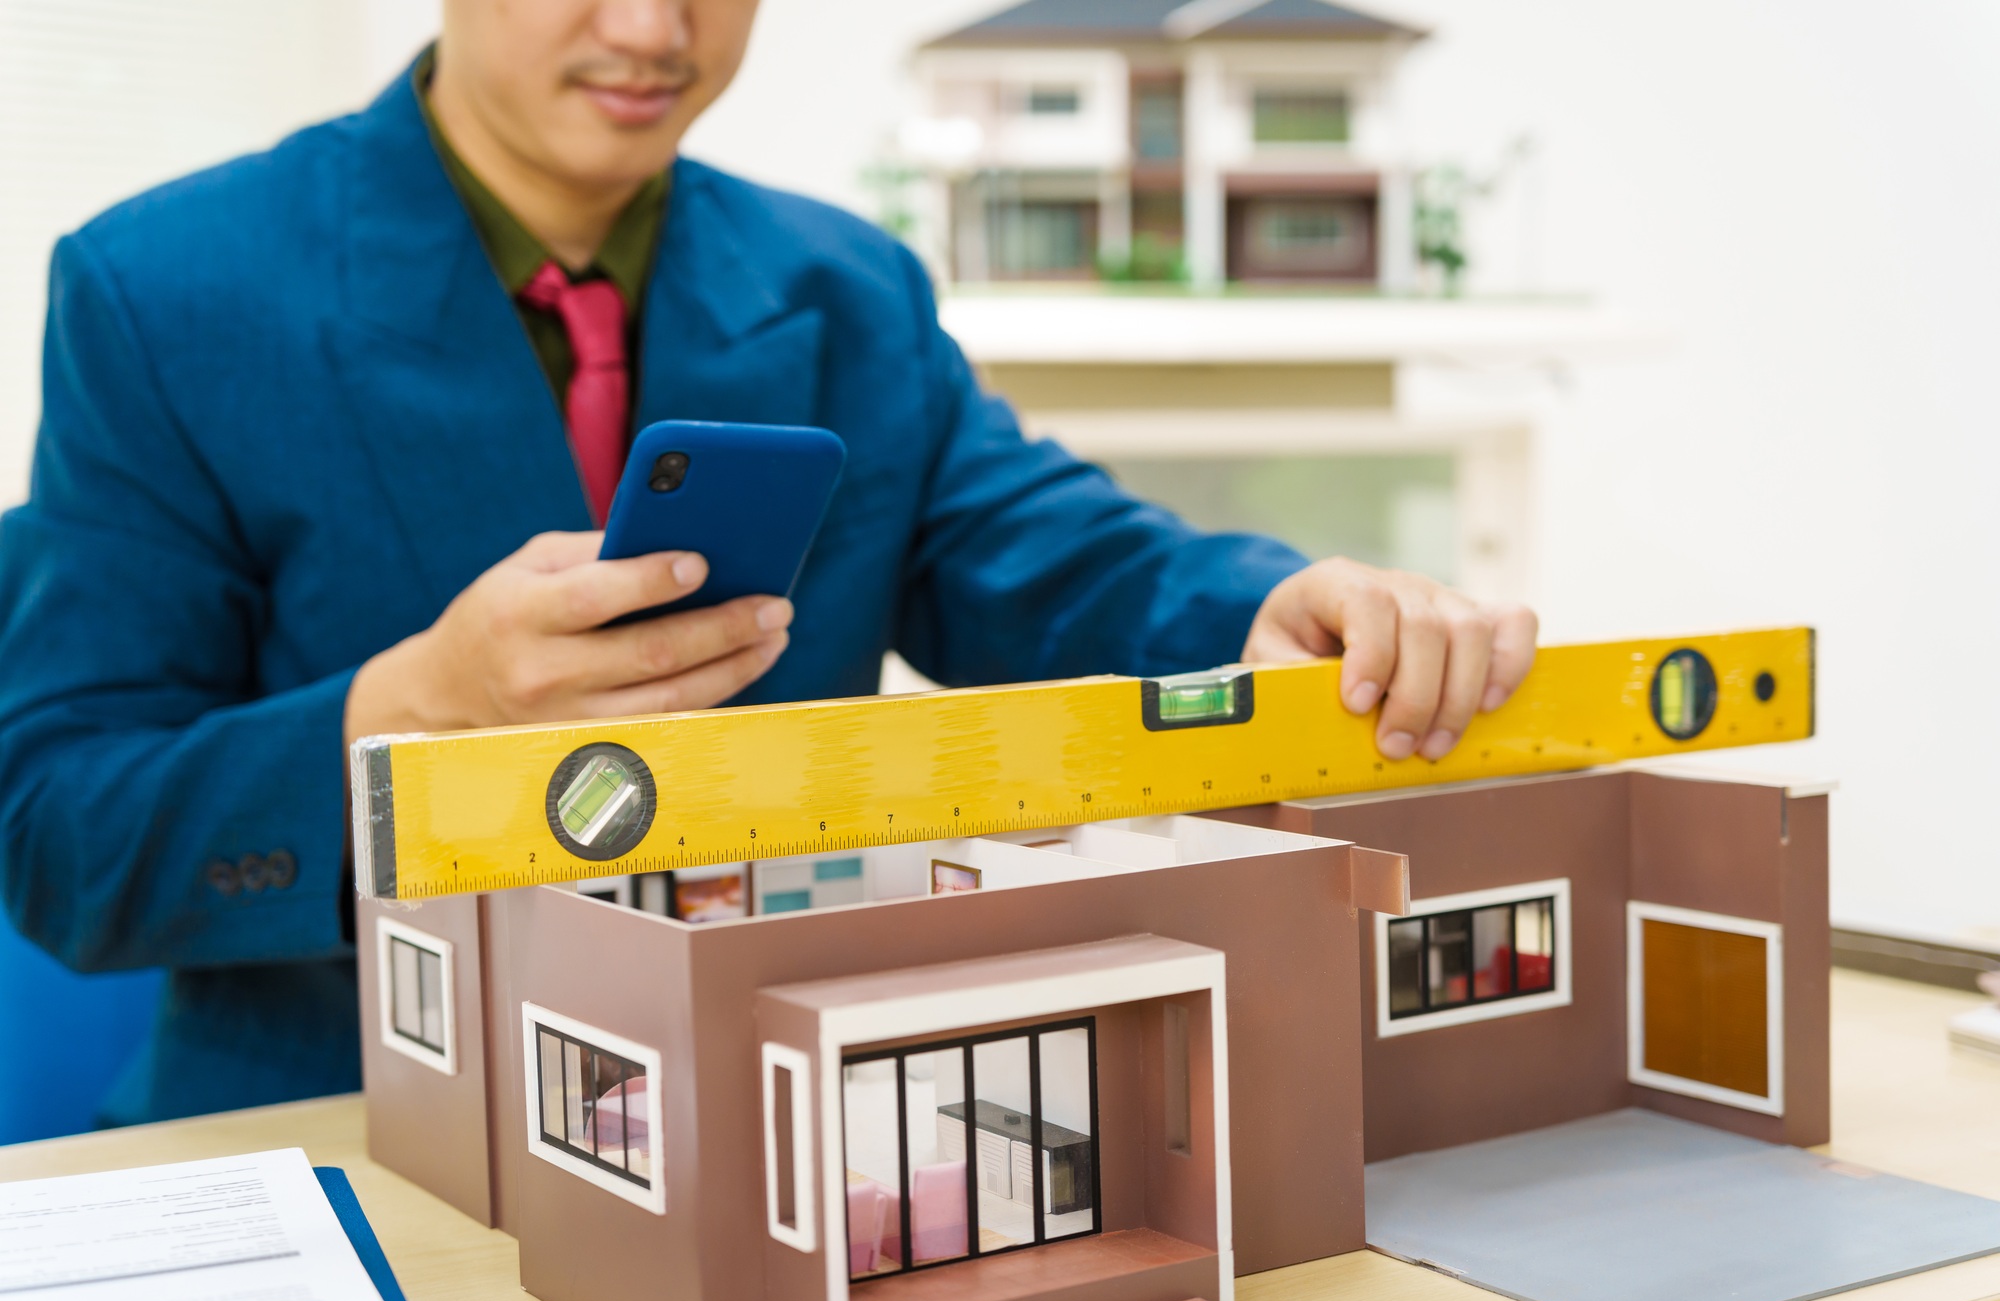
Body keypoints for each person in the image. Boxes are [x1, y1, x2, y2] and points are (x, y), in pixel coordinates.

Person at [0, 0, 1537, 1125]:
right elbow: (67, 834)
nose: (653, 29)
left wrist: (1270, 609)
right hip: (346, 1123)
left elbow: (1056, 556)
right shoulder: (164, 293)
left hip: (793, 1117)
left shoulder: (849, 289)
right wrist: (409, 718)